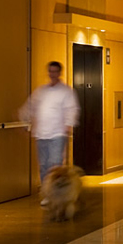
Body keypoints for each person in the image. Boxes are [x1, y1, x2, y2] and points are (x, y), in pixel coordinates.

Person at [22, 61, 80, 202]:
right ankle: (47, 193)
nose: (52, 74)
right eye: (50, 71)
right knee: (43, 165)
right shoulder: (41, 91)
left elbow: (72, 109)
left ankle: (57, 194)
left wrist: (69, 125)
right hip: (41, 133)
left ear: (59, 73)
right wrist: (23, 119)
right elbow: (31, 106)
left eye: (55, 71)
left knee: (55, 164)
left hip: (57, 133)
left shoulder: (66, 91)